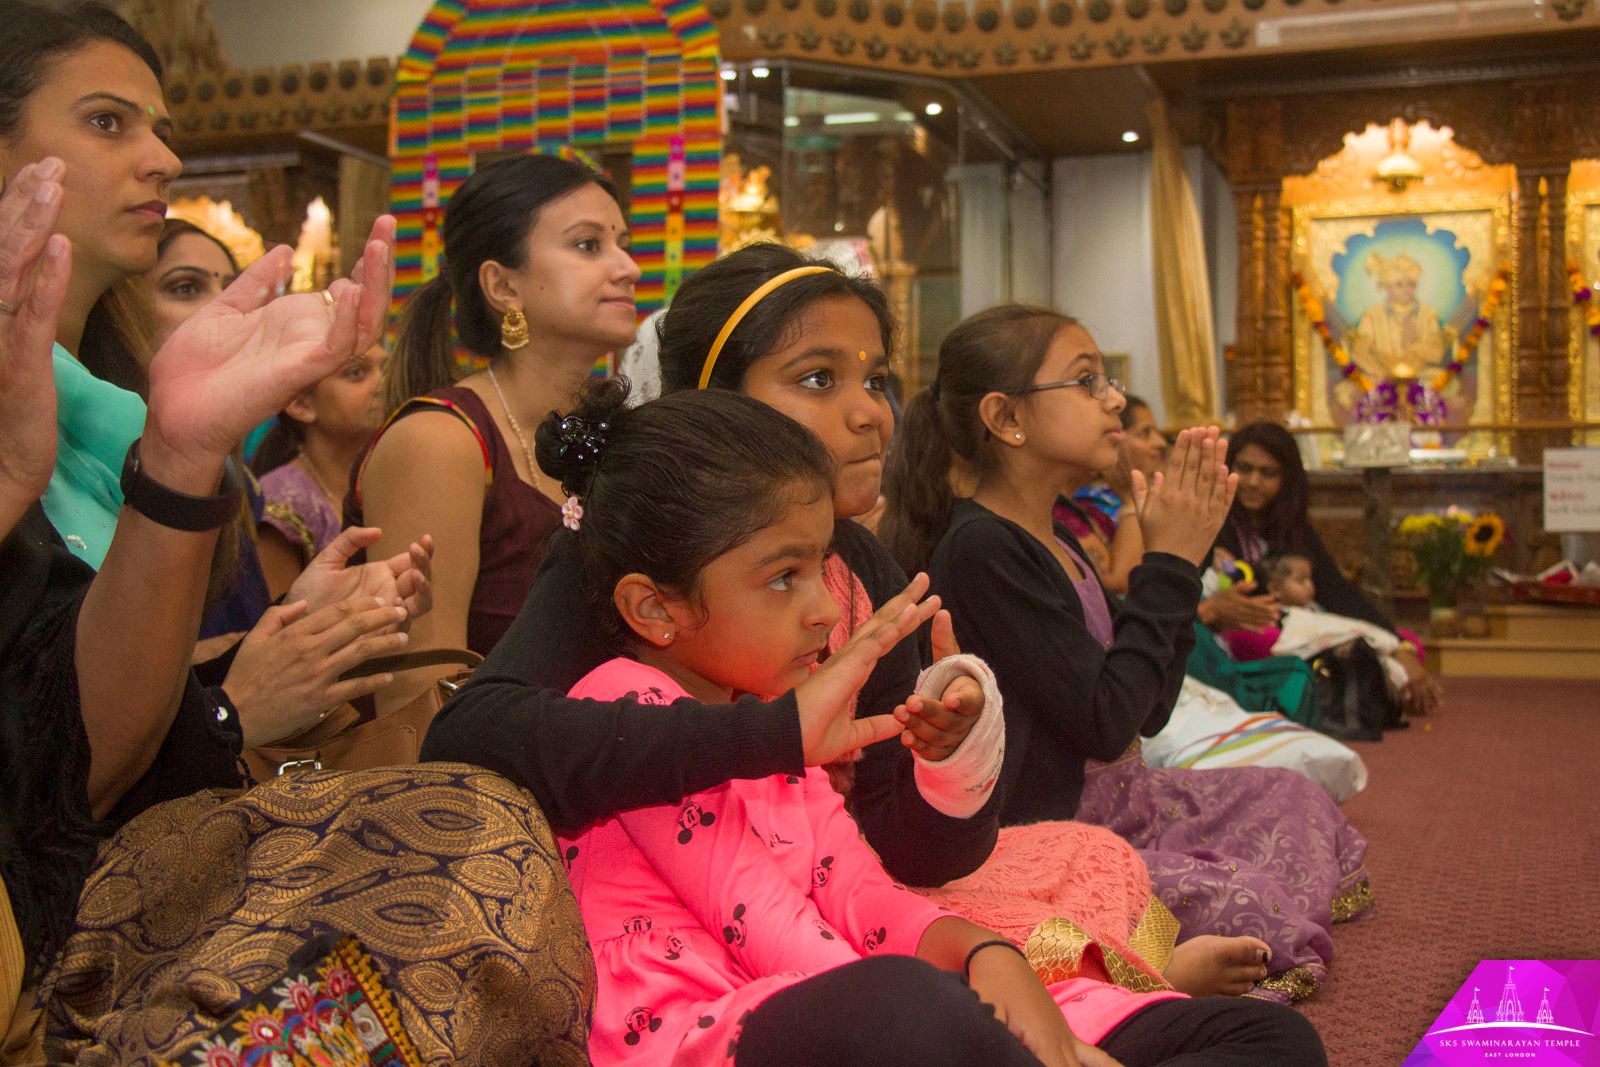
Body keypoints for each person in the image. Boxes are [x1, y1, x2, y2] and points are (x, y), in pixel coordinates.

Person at [540, 380, 1327, 1067]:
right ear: (654, 607)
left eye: (819, 568)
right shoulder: (625, 708)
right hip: (727, 1025)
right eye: (783, 578)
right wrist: (965, 999)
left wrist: (987, 954)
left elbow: (857, 888)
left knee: (1271, 1038)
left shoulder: (769, 717)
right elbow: (767, 925)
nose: (823, 609)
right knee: (907, 1004)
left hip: (872, 992)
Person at [881, 304, 1374, 1002]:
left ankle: (1155, 942)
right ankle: (1142, 963)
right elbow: (1107, 723)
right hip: (1060, 836)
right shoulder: (982, 549)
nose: (1114, 399)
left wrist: (1182, 561)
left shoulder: (1059, 538)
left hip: (1131, 801)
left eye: (1106, 381)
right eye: (1087, 381)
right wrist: (1167, 563)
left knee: (1293, 795)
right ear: (1006, 416)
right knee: (1251, 905)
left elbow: (1148, 710)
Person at [352, 154, 642, 712]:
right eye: (588, 245)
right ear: (503, 285)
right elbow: (420, 700)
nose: (627, 267)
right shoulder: (441, 441)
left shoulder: (613, 434)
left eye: (622, 244)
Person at [1219, 420, 1441, 715]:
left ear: (1287, 479)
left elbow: (1336, 591)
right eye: (1244, 469)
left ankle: (1353, 687)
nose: (1252, 482)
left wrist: (1400, 646)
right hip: (1247, 631)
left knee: (1411, 645)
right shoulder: (1215, 520)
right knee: (1264, 643)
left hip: (1302, 628)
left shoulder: (1295, 528)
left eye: (1267, 473)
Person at [251, 343, 387, 594]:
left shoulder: (390, 474)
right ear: (302, 405)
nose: (382, 383)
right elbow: (281, 614)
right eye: (357, 373)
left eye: (386, 368)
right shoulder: (283, 501)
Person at [1053, 394, 1166, 595]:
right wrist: (1130, 497)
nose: (1161, 442)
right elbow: (1121, 586)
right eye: (1145, 432)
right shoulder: (1066, 509)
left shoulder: (1090, 513)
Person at [1349, 251, 1450, 380]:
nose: (1406, 290)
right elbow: (1359, 354)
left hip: (1419, 376)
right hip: (1381, 377)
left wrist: (1415, 345)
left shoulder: (1428, 314)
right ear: (1387, 287)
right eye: (1399, 285)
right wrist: (1379, 372)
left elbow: (1437, 354)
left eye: (1411, 284)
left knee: (1444, 380)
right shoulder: (1372, 316)